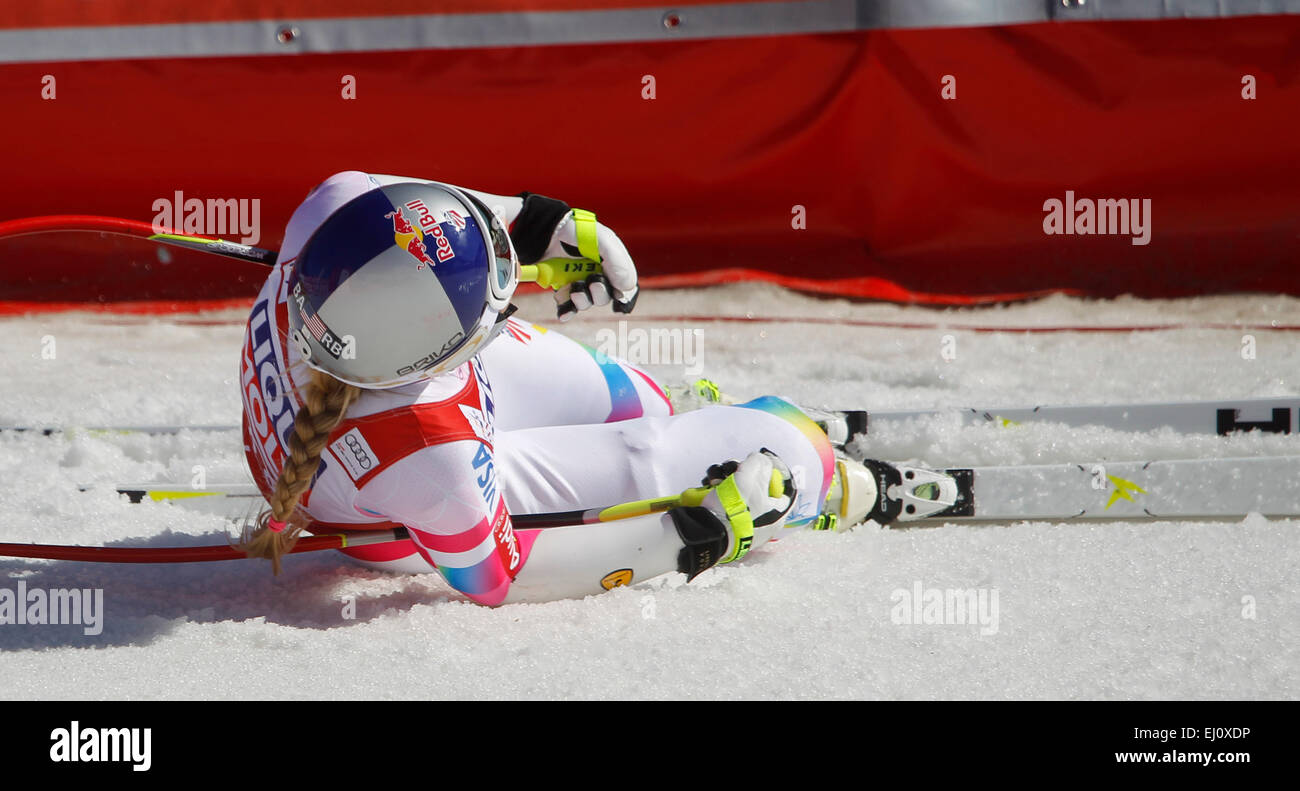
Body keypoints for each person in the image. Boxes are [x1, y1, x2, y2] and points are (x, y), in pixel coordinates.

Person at [237, 171, 880, 605]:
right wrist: (693, 536)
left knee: (642, 401)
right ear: (443, 346)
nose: (518, 284)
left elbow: (409, 210)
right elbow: (498, 581)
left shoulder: (338, 202)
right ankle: (805, 495)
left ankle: (682, 434)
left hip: (383, 427)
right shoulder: (435, 464)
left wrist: (540, 222)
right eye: (495, 298)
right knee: (794, 449)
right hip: (409, 497)